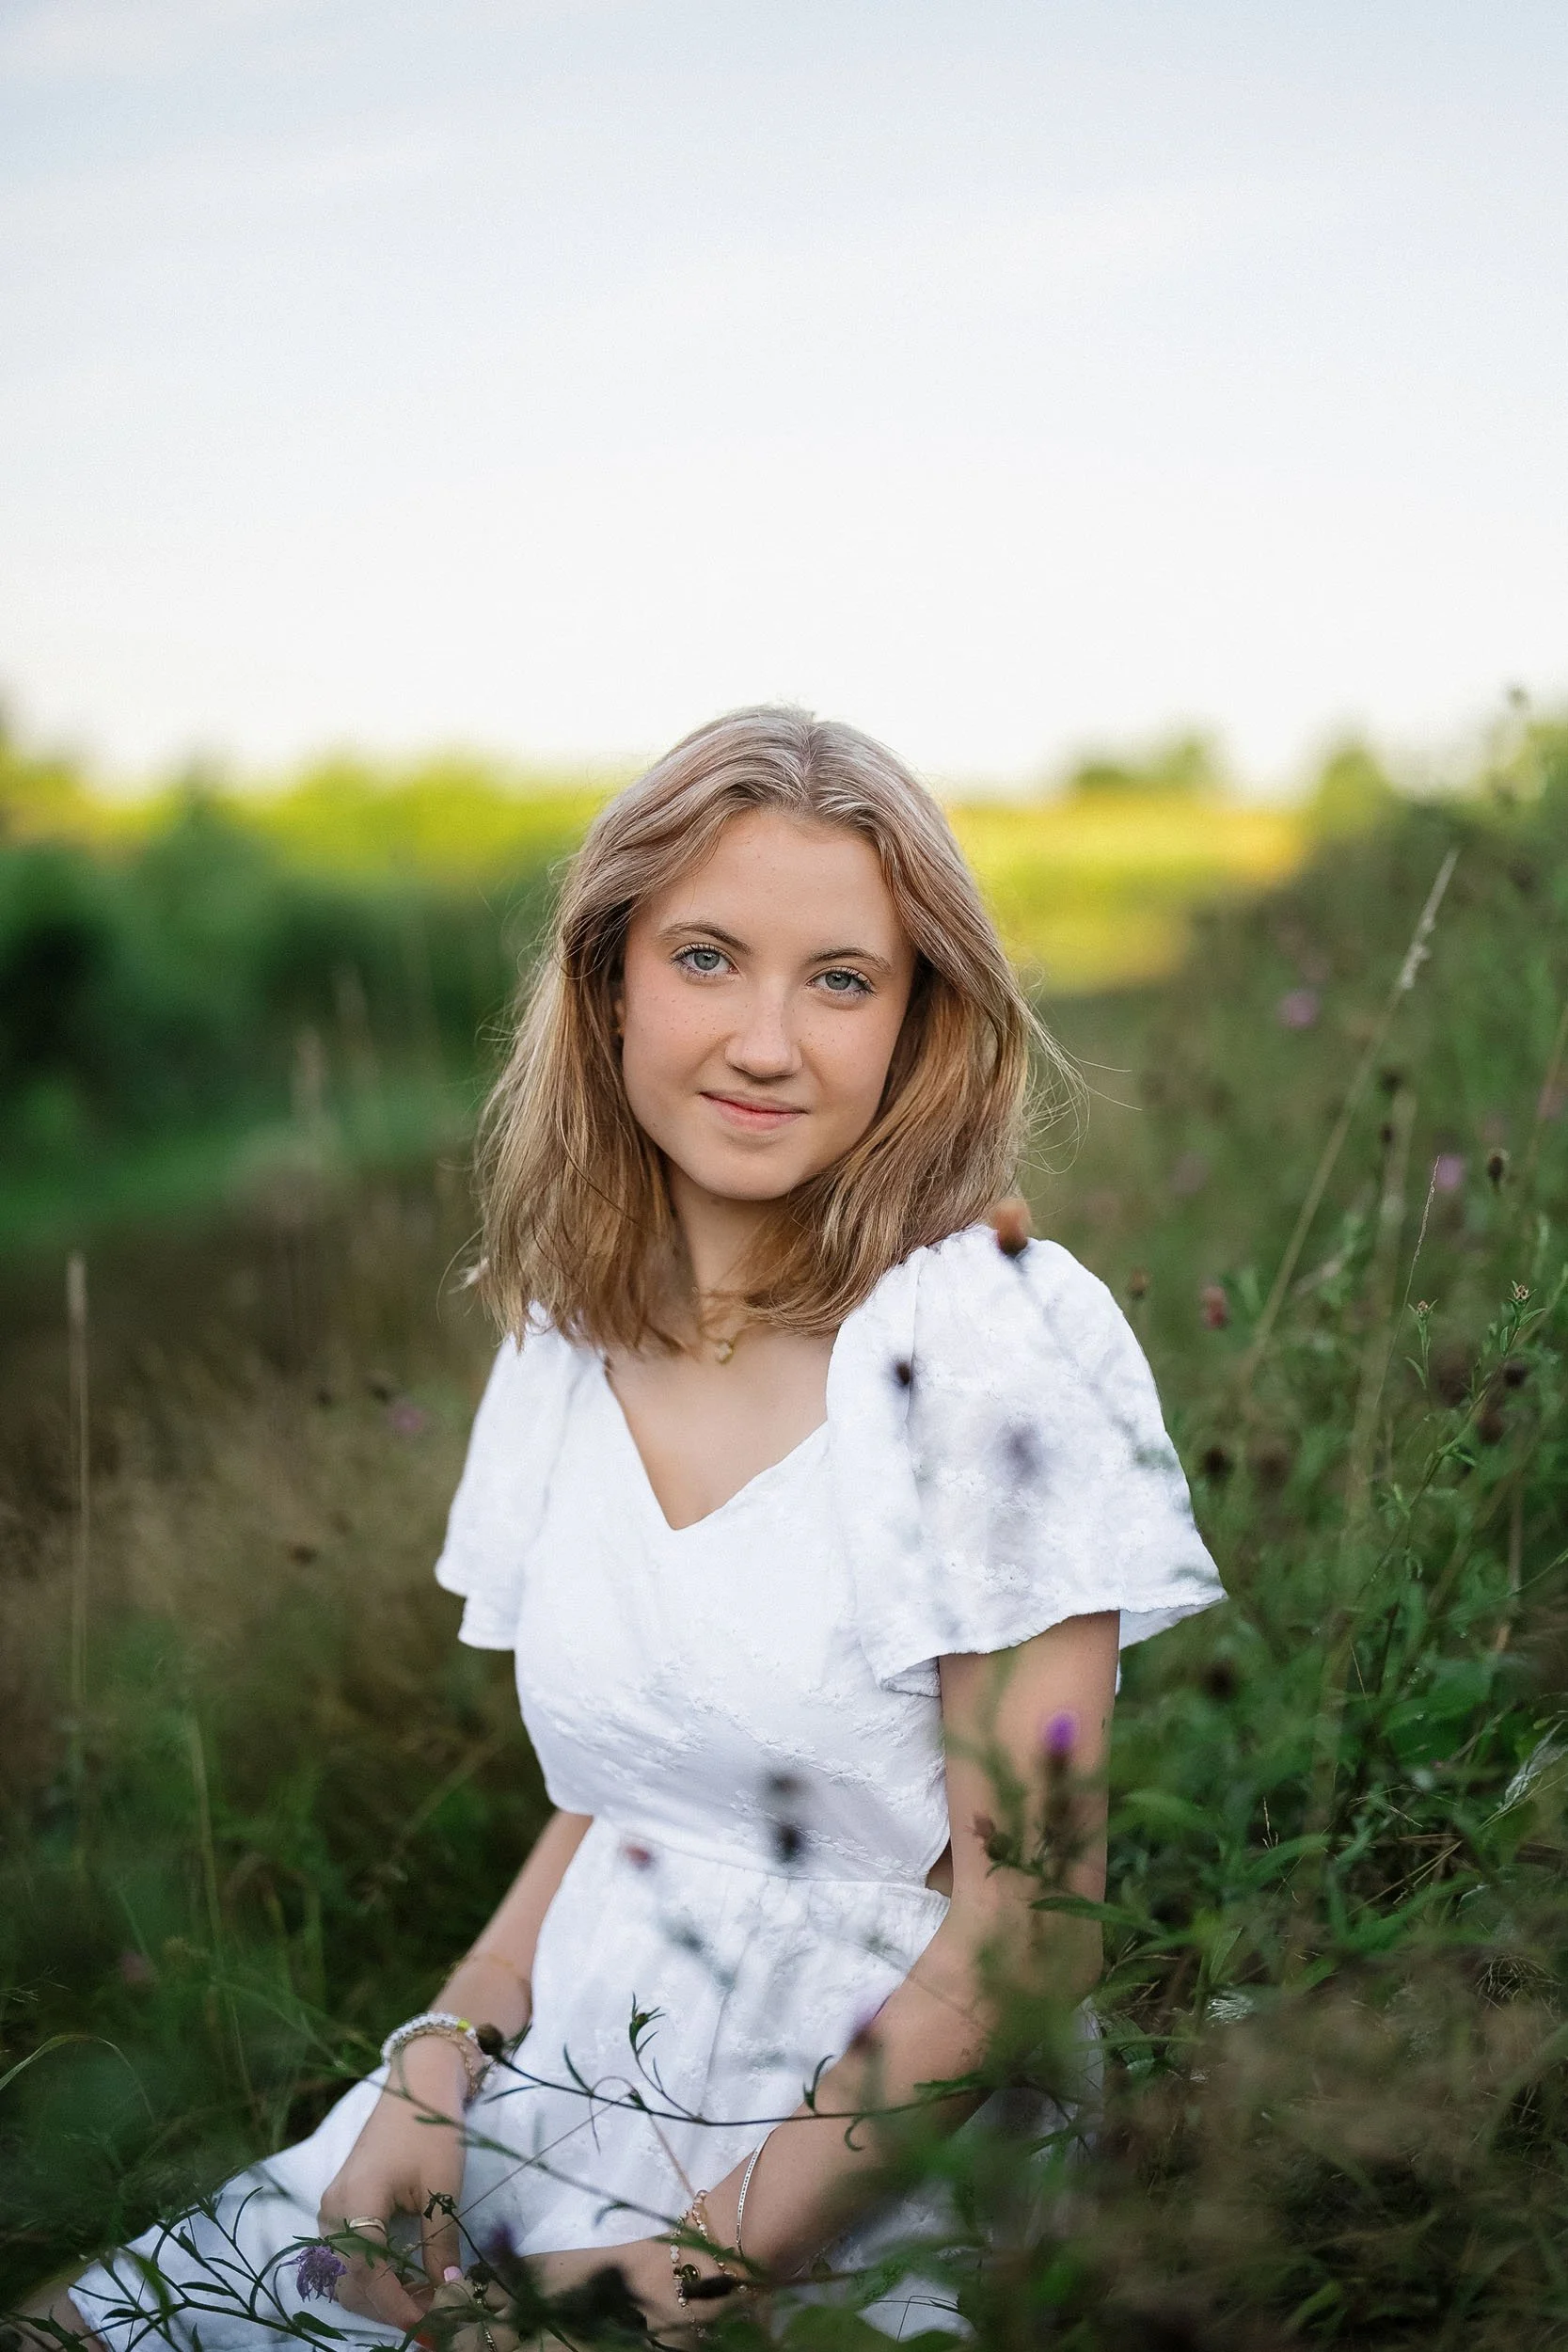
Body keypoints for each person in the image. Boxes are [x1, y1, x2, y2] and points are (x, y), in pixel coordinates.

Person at [48, 707, 1223, 2347]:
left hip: (862, 2152)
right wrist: (432, 2068)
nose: (764, 1040)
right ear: (607, 986)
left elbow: (1031, 1933)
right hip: (571, 2061)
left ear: (916, 1022)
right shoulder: (563, 1336)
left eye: (840, 979)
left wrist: (683, 2278)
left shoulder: (983, 1344)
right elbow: (628, 1799)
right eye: (705, 957)